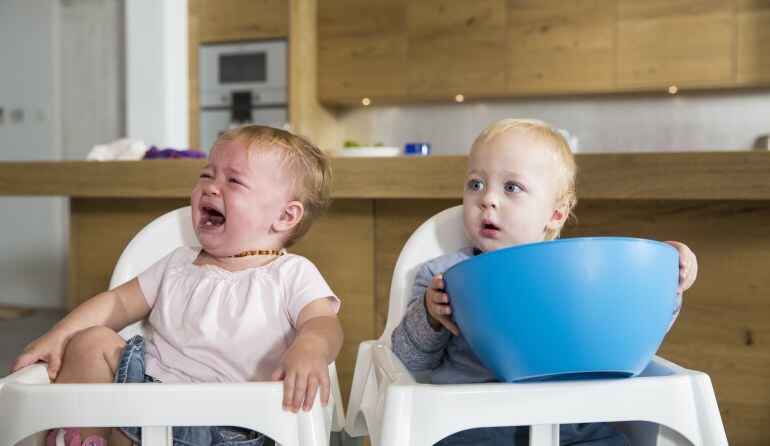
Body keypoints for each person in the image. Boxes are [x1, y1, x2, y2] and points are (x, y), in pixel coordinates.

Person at [11, 125, 343, 446]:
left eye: (234, 180)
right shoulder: (179, 263)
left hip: (225, 421)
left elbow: (322, 322)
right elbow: (117, 304)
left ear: (285, 216)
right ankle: (84, 439)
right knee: (91, 340)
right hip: (145, 391)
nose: (212, 187)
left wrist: (310, 348)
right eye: (206, 175)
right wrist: (58, 335)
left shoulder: (290, 273)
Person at [391, 118, 698, 446]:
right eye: (476, 184)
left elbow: (631, 332)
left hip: (567, 422)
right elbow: (409, 361)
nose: (488, 199)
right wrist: (429, 315)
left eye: (511, 187)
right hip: (470, 423)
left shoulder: (578, 277)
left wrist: (666, 278)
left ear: (555, 214)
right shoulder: (443, 276)